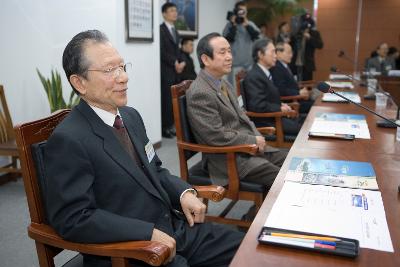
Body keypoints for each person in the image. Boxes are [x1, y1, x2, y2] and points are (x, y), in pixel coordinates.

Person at [44, 30, 243, 267]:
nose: (123, 77)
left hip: (174, 228)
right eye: (110, 70)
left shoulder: (130, 116)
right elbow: (74, 218)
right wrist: (146, 233)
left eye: (122, 67)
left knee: (246, 248)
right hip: (131, 251)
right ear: (79, 82)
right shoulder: (69, 139)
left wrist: (183, 193)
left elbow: (155, 168)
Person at [186, 32, 287, 192]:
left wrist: (257, 138)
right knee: (284, 179)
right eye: (222, 52)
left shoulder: (223, 83)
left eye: (229, 51)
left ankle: (259, 212)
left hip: (246, 148)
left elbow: (243, 118)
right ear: (205, 59)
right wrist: (252, 139)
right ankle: (258, 215)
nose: (229, 57)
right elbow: (215, 136)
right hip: (228, 159)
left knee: (291, 161)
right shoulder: (200, 92)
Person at [243, 38, 302, 135]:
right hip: (267, 122)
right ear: (260, 54)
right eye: (272, 52)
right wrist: (279, 108)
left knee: (305, 123)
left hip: (274, 117)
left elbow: (268, 98)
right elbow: (257, 106)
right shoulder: (254, 76)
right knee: (303, 130)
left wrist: (281, 105)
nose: (275, 56)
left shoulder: (264, 73)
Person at [160, 2, 185, 138]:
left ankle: (171, 126)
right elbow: (162, 51)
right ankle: (165, 128)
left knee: (172, 100)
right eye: (171, 10)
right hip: (166, 70)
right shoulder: (161, 30)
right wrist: (174, 62)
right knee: (166, 100)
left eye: (176, 10)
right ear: (164, 13)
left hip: (176, 71)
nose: (175, 13)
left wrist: (181, 62)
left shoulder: (175, 30)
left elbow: (178, 50)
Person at [223, 1, 260, 87]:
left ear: (246, 12)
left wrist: (247, 26)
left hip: (250, 65)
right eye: (240, 11)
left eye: (244, 11)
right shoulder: (229, 25)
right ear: (236, 11)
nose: (242, 13)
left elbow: (258, 39)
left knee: (251, 90)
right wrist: (233, 25)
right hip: (235, 65)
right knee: (235, 92)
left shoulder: (250, 24)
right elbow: (226, 40)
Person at [270, 42, 313, 114]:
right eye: (289, 53)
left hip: (296, 98)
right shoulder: (276, 68)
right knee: (315, 106)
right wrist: (299, 93)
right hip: (291, 103)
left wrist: (302, 92)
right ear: (279, 53)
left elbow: (290, 85)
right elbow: (281, 90)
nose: (291, 55)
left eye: (292, 53)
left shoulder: (284, 66)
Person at [290, 13, 323, 81]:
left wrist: (310, 38)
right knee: (295, 85)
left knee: (307, 86)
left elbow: (320, 45)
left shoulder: (314, 33)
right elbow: (291, 46)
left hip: (307, 65)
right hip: (295, 64)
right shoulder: (297, 33)